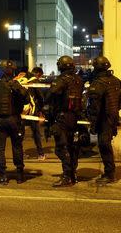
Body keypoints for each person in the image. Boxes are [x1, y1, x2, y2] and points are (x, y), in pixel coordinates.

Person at [0, 60, 30, 185]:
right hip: (14, 120)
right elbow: (26, 101)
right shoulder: (16, 85)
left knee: (0, 149)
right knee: (17, 146)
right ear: (13, 70)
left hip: (0, 120)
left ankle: (3, 175)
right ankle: (19, 174)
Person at [45, 55, 84, 187]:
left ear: (60, 66)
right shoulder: (78, 79)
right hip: (74, 116)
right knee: (71, 147)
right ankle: (72, 173)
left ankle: (68, 176)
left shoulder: (61, 79)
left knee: (61, 148)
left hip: (62, 117)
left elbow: (51, 94)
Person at [87, 56, 121, 184]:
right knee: (106, 144)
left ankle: (110, 174)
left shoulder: (99, 83)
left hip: (104, 118)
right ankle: (109, 172)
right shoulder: (115, 80)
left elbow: (95, 106)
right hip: (113, 117)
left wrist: (92, 122)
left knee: (104, 146)